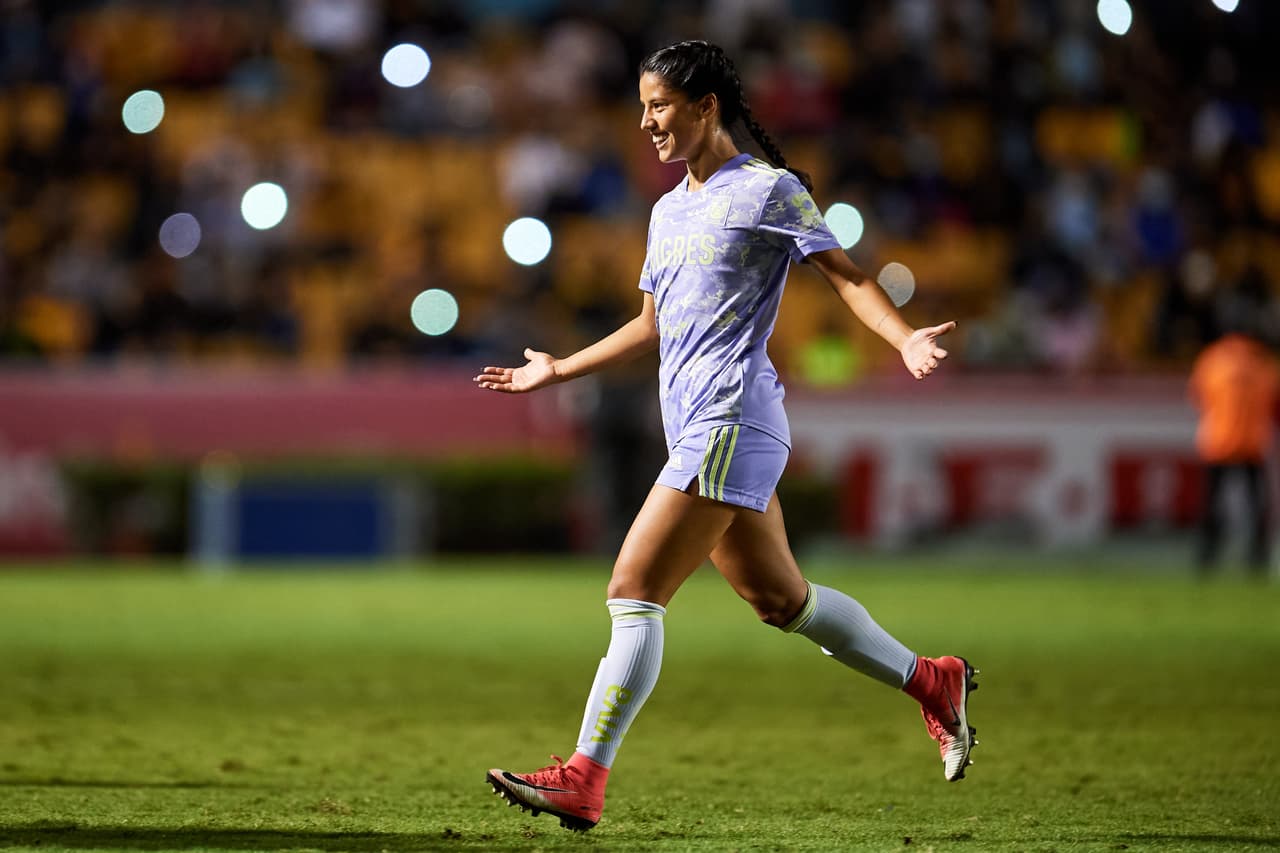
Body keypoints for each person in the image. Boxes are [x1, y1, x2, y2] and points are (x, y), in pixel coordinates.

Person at [474, 40, 973, 833]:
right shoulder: (667, 208)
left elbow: (845, 275)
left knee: (633, 589)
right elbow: (651, 325)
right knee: (783, 600)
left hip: (732, 418)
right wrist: (559, 369)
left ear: (706, 106)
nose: (646, 123)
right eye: (641, 107)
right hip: (703, 427)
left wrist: (904, 337)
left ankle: (583, 776)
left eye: (659, 106)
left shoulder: (770, 191)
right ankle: (932, 681)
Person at [1188, 326, 1279, 576]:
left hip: (1218, 443)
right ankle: (1257, 559)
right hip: (1252, 444)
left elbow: (1199, 397)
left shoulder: (1212, 360)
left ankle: (1207, 556)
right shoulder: (1264, 364)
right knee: (1258, 504)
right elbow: (1273, 403)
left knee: (1212, 503)